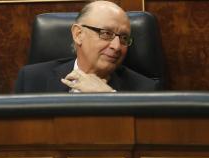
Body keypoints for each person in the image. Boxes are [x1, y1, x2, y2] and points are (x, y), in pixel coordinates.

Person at [15, 0, 158, 93]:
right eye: (106, 33)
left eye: (124, 38)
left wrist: (109, 98)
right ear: (78, 34)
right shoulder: (31, 80)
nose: (117, 46)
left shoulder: (145, 90)